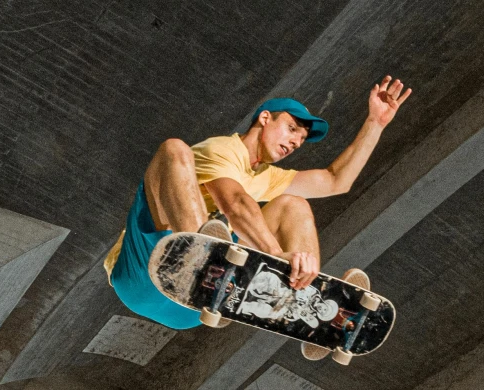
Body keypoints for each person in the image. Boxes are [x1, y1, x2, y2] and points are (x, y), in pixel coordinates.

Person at [103, 78, 412, 360]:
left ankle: (308, 303)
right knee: (174, 150)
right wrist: (276, 253)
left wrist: (375, 123)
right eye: (292, 129)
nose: (295, 143)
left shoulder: (267, 176)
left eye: (302, 139)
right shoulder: (222, 150)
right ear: (265, 119)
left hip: (189, 313)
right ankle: (201, 256)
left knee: (294, 204)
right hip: (144, 273)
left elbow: (334, 181)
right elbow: (235, 204)